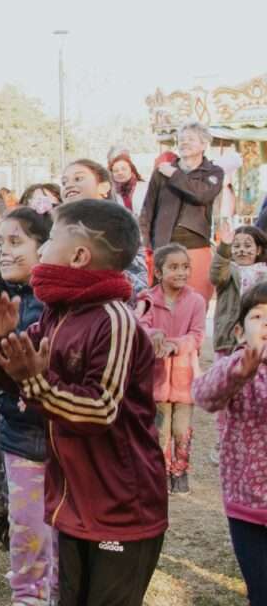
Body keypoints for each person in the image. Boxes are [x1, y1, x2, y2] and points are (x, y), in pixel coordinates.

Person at [0, 199, 167, 606]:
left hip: (119, 509)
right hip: (71, 501)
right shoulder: (56, 314)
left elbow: (100, 409)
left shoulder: (113, 319)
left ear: (79, 256)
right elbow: (17, 381)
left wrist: (35, 380)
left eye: (52, 240)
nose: (42, 250)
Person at [0, 207, 53, 601]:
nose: (4, 252)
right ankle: (27, 597)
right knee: (27, 533)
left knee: (59, 536)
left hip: (63, 437)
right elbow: (4, 379)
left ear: (46, 246)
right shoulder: (1, 297)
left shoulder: (57, 305)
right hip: (20, 437)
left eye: (16, 242)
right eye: (1, 242)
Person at [192, 283, 267, 605]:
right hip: (247, 506)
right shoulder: (234, 368)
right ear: (239, 330)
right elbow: (204, 395)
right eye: (259, 317)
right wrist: (240, 372)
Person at [137, 244, 206, 495]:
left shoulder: (197, 301)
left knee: (181, 428)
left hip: (185, 376)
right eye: (174, 267)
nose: (181, 272)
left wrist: (175, 345)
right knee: (159, 430)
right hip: (155, 378)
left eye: (185, 267)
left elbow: (197, 336)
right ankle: (160, 474)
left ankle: (180, 470)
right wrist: (154, 335)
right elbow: (140, 327)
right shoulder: (147, 299)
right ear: (158, 272)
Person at [139, 122, 224, 302]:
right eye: (181, 139)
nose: (184, 143)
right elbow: (147, 210)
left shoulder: (213, 172)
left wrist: (175, 175)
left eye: (190, 139)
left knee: (197, 300)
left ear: (203, 144)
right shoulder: (161, 172)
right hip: (163, 245)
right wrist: (146, 243)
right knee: (162, 302)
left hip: (196, 245)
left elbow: (201, 195)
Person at [59, 159, 150, 295]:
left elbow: (136, 274)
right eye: (64, 182)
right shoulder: (61, 226)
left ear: (103, 187)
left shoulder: (118, 222)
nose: (69, 185)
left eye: (78, 178)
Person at [211, 220, 267, 357]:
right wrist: (224, 247)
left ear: (258, 250)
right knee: (226, 373)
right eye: (236, 246)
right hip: (229, 338)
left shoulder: (264, 273)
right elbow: (216, 276)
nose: (242, 249)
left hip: (258, 336)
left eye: (248, 245)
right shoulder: (228, 270)